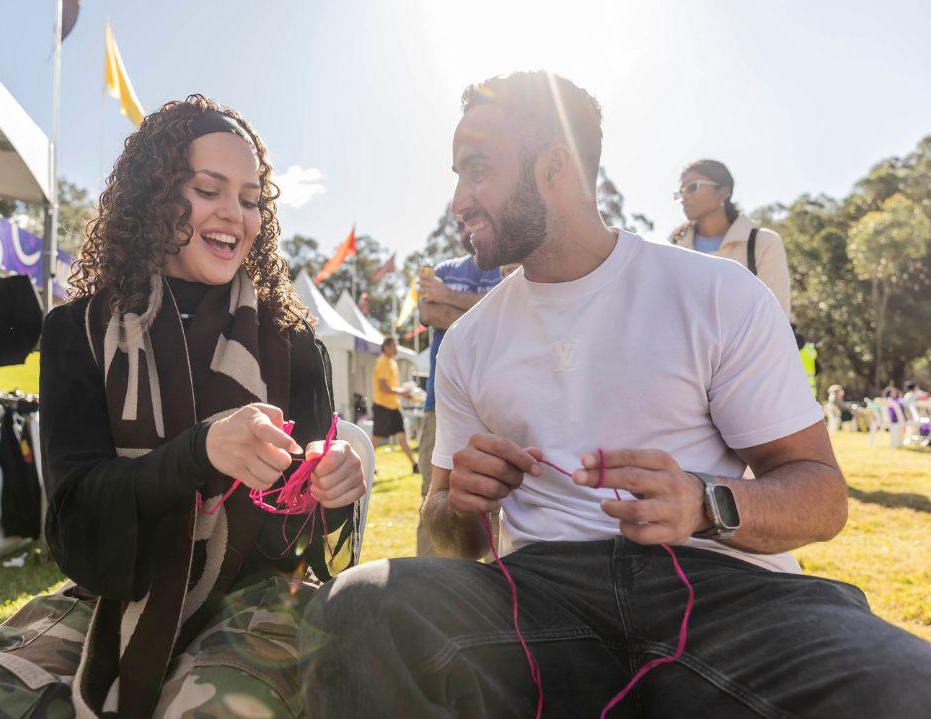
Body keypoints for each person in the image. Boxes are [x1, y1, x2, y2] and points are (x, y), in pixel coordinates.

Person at [300, 71, 931, 718]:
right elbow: (443, 529)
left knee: (906, 685)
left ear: (555, 167)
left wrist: (707, 501)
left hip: (724, 589)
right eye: (457, 174)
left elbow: (821, 496)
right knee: (358, 606)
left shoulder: (717, 294)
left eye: (477, 169)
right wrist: (460, 502)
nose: (458, 198)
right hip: (541, 601)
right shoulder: (467, 342)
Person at [0, 95, 367, 718]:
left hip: (255, 605)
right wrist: (198, 454)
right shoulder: (77, 332)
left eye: (253, 198)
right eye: (210, 190)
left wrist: (335, 492)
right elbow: (74, 528)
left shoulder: (296, 348)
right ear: (154, 194)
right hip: (107, 599)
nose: (236, 214)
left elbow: (317, 556)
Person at [416, 221, 502, 555]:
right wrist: (482, 308)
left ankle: (490, 586)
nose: (466, 226)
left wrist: (448, 296)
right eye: (461, 223)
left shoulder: (509, 269)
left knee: (493, 499)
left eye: (476, 219)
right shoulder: (443, 268)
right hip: (441, 401)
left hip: (495, 403)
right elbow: (429, 312)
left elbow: (506, 314)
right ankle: (426, 584)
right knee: (434, 495)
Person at [669, 160, 793, 318]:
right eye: (679, 193)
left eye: (692, 187)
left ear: (723, 192)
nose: (684, 197)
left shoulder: (763, 243)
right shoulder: (675, 246)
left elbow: (775, 315)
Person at [372, 337, 417, 473]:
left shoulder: (391, 362)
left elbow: (391, 387)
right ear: (387, 348)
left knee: (402, 437)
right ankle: (366, 464)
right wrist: (403, 393)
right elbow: (383, 387)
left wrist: (403, 393)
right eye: (395, 346)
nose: (397, 349)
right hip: (383, 407)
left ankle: (415, 465)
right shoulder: (383, 362)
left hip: (393, 406)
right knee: (375, 440)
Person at [794, 325, 821, 398]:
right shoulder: (809, 348)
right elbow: (818, 369)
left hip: (795, 392)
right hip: (811, 392)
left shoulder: (790, 350)